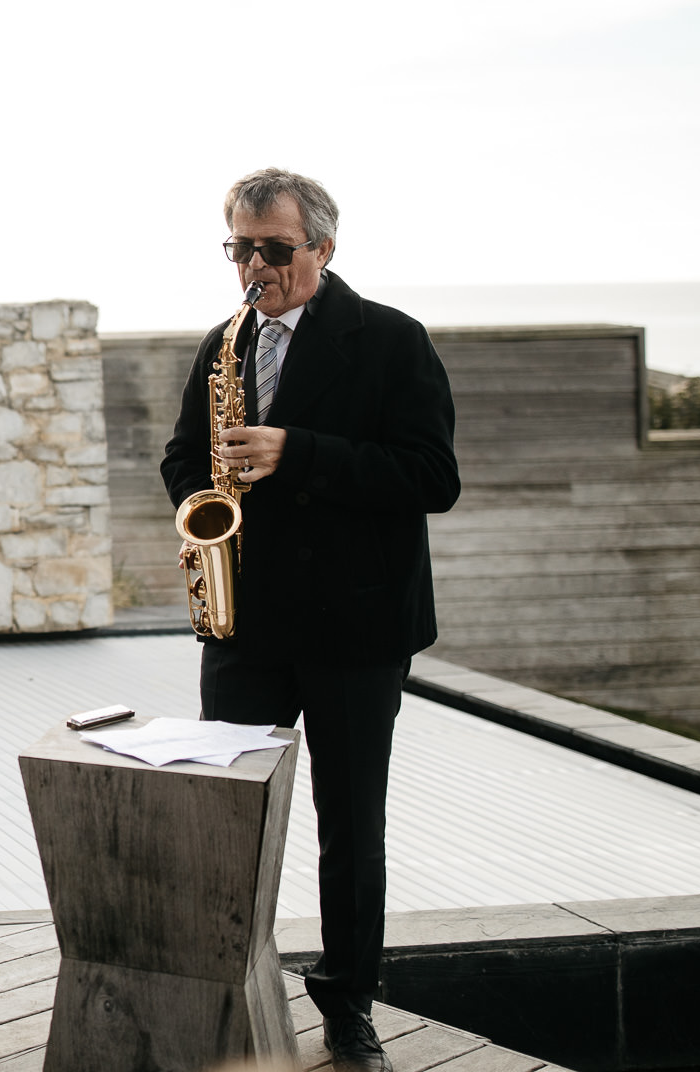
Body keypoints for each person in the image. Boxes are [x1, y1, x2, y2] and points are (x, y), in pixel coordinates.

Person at [160, 168, 460, 1071]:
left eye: (274, 249)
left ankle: (348, 1005)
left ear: (323, 249)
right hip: (247, 626)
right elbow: (182, 455)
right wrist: (204, 504)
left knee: (348, 824)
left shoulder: (392, 341)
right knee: (226, 820)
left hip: (357, 630)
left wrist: (300, 453)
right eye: (239, 247)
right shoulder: (225, 343)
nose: (254, 266)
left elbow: (431, 478)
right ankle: (223, 988)